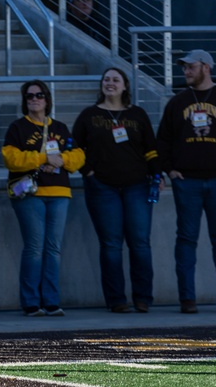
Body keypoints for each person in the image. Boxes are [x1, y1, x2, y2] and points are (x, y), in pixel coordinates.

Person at [157, 49, 216, 314]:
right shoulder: (178, 102)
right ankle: (188, 299)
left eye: (190, 67)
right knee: (186, 239)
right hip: (187, 182)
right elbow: (163, 139)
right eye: (183, 67)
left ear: (206, 67)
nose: (185, 71)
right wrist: (170, 170)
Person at [73, 67, 159, 313]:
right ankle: (116, 300)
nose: (110, 83)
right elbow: (74, 148)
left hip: (138, 187)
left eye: (115, 80)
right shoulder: (89, 115)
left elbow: (151, 149)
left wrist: (156, 173)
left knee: (140, 243)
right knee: (111, 245)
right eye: (106, 79)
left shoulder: (138, 114)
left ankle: (143, 298)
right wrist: (88, 172)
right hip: (102, 188)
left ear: (125, 86)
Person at [2, 79, 85, 317]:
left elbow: (78, 156)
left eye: (39, 95)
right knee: (34, 247)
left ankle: (51, 301)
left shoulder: (59, 127)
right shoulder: (18, 127)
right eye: (30, 96)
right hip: (29, 194)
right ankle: (30, 302)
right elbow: (11, 158)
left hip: (59, 193)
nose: (35, 99)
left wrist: (62, 160)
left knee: (53, 249)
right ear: (24, 101)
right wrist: (43, 159)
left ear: (47, 99)